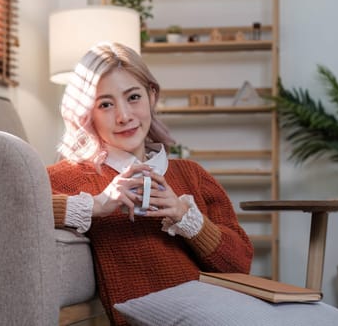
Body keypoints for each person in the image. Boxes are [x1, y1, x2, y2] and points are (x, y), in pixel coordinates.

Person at [48, 42, 253, 325]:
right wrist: (96, 204)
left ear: (151, 96)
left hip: (223, 310)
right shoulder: (71, 176)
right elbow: (8, 209)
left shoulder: (191, 174)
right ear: (87, 113)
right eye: (105, 104)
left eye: (133, 97)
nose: (124, 116)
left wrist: (186, 217)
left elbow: (240, 264)